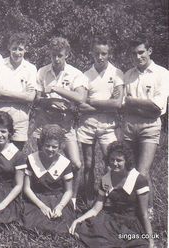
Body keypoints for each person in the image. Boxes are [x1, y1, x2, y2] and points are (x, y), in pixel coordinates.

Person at [33, 37, 87, 209]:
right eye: (53, 55)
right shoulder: (42, 72)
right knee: (41, 161)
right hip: (45, 123)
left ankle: (72, 198)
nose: (56, 59)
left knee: (76, 164)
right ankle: (39, 196)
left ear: (67, 55)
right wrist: (48, 102)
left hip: (65, 124)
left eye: (60, 56)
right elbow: (35, 98)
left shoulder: (76, 74)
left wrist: (56, 89)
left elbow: (80, 98)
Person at [69, 141, 154, 248]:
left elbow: (144, 214)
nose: (114, 163)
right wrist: (79, 219)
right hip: (110, 219)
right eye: (112, 159)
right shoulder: (105, 179)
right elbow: (96, 209)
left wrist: (151, 242)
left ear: (127, 161)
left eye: (119, 160)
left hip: (130, 223)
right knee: (82, 228)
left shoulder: (139, 180)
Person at [121, 36, 169, 219]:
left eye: (141, 52)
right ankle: (130, 207)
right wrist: (141, 105)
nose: (138, 56)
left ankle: (148, 211)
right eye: (134, 53)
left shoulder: (162, 73)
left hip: (150, 126)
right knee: (130, 170)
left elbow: (157, 105)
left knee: (143, 172)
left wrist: (133, 101)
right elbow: (123, 105)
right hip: (129, 125)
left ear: (150, 51)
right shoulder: (128, 74)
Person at [77, 36, 124, 206]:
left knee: (110, 163)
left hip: (108, 126)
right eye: (97, 53)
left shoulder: (117, 73)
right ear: (92, 53)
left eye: (104, 53)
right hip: (87, 125)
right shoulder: (85, 75)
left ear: (109, 54)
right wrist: (107, 104)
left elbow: (117, 104)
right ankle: (89, 199)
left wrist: (93, 102)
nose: (100, 57)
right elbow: (81, 106)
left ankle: (106, 197)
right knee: (88, 164)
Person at [22, 124, 75, 234]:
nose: (50, 149)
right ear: (41, 144)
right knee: (35, 223)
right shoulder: (32, 159)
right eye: (47, 145)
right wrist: (41, 205)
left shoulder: (65, 163)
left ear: (60, 146)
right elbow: (26, 188)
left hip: (58, 198)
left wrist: (60, 207)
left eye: (54, 147)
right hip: (38, 198)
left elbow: (69, 190)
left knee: (63, 224)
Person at [0, 32, 37, 150]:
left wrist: (3, 92)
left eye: (20, 49)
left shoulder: (31, 68)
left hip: (21, 115)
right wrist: (21, 96)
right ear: (9, 47)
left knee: (16, 153)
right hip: (0, 112)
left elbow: (30, 98)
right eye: (14, 48)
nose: (17, 52)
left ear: (25, 50)